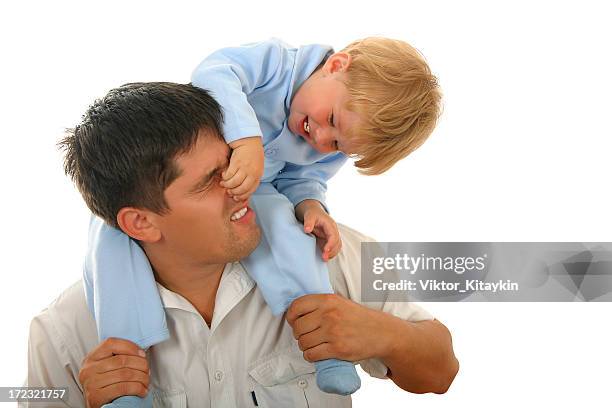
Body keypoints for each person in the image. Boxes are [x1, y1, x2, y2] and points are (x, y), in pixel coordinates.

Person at [26, 82, 456, 407]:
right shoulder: (64, 331)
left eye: (232, 160)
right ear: (140, 222)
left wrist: (385, 336)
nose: (242, 184)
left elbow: (442, 371)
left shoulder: (323, 250)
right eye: (210, 181)